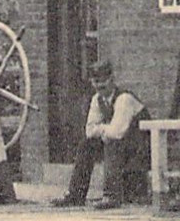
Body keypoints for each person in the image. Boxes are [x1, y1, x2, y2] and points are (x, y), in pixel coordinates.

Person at [53, 61, 150, 210]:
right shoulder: (97, 100)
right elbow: (89, 130)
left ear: (112, 79)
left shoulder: (124, 98)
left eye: (103, 81)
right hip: (121, 146)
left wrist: (102, 129)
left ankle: (111, 195)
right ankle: (75, 194)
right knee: (87, 145)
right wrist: (105, 130)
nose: (100, 86)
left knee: (111, 142)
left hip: (141, 149)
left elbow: (118, 132)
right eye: (96, 82)